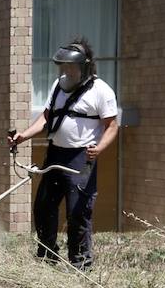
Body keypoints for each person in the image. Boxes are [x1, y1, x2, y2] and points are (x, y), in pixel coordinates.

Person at [8, 39, 120, 269]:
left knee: (77, 212)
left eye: (71, 67)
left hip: (81, 158)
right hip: (56, 154)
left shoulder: (102, 91)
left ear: (85, 66)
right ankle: (47, 254)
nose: (66, 71)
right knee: (43, 206)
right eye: (63, 67)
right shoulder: (58, 85)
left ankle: (80, 264)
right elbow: (46, 118)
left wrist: (98, 148)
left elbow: (112, 126)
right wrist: (23, 136)